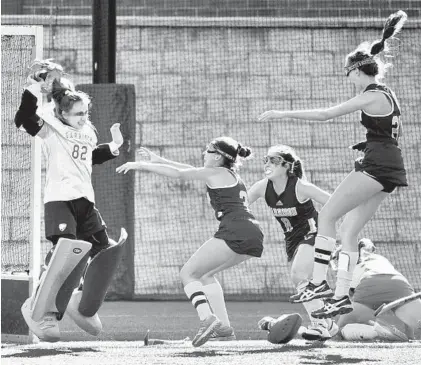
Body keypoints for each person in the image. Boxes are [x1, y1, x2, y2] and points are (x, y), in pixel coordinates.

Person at [258, 10, 408, 318]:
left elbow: (326, 114)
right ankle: (341, 295)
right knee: (349, 231)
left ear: (356, 72)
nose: (348, 79)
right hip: (390, 166)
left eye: (347, 74)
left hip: (376, 165)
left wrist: (282, 114)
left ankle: (318, 283)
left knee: (326, 216)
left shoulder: (370, 95)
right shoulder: (386, 93)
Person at [116, 137, 264, 347]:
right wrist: (159, 159)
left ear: (219, 157)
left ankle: (208, 319)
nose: (204, 153)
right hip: (252, 233)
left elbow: (180, 174)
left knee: (187, 273)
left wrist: (141, 165)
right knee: (205, 275)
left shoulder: (215, 172)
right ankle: (224, 329)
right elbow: (188, 169)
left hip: (235, 230)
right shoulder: (229, 174)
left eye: (209, 150)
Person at [15, 69, 126, 342]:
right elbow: (22, 119)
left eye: (85, 113)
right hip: (60, 199)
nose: (83, 118)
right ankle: (38, 306)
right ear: (63, 114)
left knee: (104, 249)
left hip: (85, 201)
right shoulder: (51, 128)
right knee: (66, 245)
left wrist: (113, 146)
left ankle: (82, 305)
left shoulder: (87, 132)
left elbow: (87, 157)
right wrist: (33, 89)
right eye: (78, 114)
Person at [248, 145, 337, 340]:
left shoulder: (301, 186)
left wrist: (343, 232)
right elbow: (240, 204)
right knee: (302, 282)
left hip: (315, 234)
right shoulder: (263, 186)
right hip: (292, 241)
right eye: (266, 160)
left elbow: (335, 203)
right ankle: (328, 323)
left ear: (287, 165)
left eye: (274, 160)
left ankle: (320, 324)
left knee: (299, 275)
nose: (268, 164)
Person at [336, 238, 421, 341]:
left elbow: (348, 295)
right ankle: (406, 336)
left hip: (369, 283)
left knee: (339, 330)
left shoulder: (350, 265)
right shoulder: (380, 258)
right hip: (399, 283)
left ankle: (378, 330)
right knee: (418, 324)